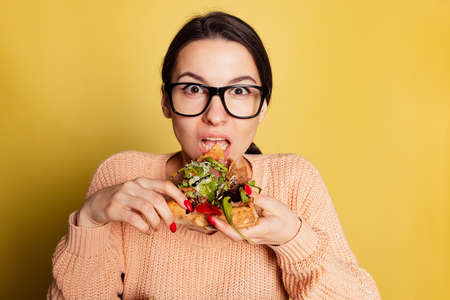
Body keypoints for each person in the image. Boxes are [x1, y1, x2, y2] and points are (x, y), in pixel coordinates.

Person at [47, 11, 380, 300]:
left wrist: (293, 238)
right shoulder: (121, 175)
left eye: (238, 90)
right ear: (166, 101)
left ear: (262, 106)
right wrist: (89, 220)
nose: (216, 115)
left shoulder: (294, 181)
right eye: (194, 89)